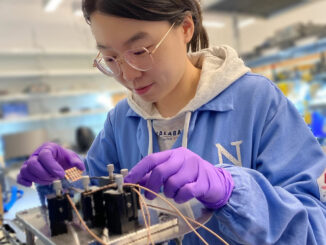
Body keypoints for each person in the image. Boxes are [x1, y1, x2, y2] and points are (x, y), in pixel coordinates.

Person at [17, 0, 326, 244]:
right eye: (111, 59)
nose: (128, 74)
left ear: (186, 28)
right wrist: (61, 185)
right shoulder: (120, 122)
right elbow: (90, 226)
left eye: (139, 50)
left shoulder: (257, 102)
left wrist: (233, 192)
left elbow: (315, 230)